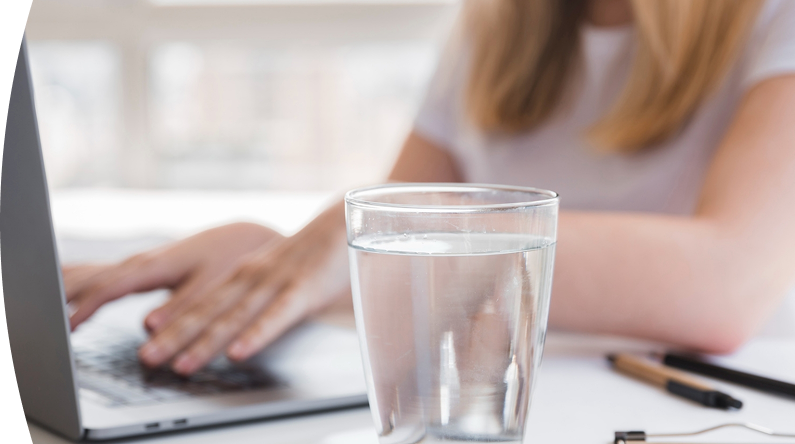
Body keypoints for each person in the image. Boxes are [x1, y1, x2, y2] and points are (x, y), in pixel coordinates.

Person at [64, 0, 795, 376]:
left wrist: (350, 240)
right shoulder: (495, 29)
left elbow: (724, 283)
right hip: (494, 404)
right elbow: (397, 263)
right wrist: (276, 261)